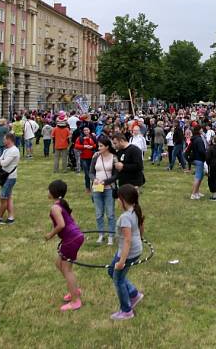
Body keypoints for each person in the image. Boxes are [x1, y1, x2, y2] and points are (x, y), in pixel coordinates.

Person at [45, 179, 85, 311]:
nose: (47, 192)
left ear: (53, 192)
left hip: (71, 239)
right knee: (59, 263)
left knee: (67, 270)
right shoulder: (62, 204)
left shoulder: (55, 207)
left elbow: (61, 224)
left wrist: (50, 235)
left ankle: (75, 301)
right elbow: (71, 220)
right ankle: (74, 290)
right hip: (74, 237)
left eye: (48, 189)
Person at [107, 184, 145, 320]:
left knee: (118, 280)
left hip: (127, 252)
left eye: (118, 198)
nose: (117, 201)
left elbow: (127, 240)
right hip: (135, 249)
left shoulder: (125, 217)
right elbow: (141, 227)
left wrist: (122, 261)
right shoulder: (136, 210)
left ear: (123, 200)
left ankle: (126, 311)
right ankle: (134, 294)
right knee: (112, 271)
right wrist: (140, 238)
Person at [89, 137, 117, 245]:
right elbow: (91, 172)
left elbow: (115, 175)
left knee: (110, 214)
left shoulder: (113, 157)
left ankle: (111, 235)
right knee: (99, 213)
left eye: (101, 146)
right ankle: (101, 234)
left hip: (109, 189)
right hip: (96, 188)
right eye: (98, 145)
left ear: (107, 147)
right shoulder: (96, 156)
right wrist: (94, 179)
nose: (99, 147)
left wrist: (105, 182)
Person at [0, 132, 19, 224]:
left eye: (4, 139)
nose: (3, 141)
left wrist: (0, 162)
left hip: (10, 177)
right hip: (5, 176)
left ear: (9, 140)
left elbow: (4, 163)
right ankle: (11, 217)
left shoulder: (14, 150)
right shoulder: (6, 150)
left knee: (3, 197)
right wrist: (0, 162)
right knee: (8, 197)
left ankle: (0, 218)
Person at [75, 126, 98, 193]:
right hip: (84, 158)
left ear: (89, 131)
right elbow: (76, 146)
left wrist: (92, 146)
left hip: (92, 157)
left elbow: (97, 145)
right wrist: (84, 146)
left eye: (87, 130)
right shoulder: (80, 138)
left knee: (95, 172)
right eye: (84, 130)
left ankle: (96, 187)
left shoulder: (93, 137)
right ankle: (87, 188)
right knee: (87, 173)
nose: (86, 131)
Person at [187, 125, 207, 199]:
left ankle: (197, 192)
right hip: (199, 159)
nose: (202, 130)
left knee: (201, 176)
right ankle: (193, 194)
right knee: (198, 177)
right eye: (201, 129)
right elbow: (201, 150)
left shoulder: (195, 138)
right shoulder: (198, 139)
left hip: (197, 158)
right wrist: (206, 156)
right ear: (199, 130)